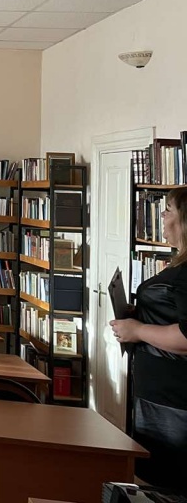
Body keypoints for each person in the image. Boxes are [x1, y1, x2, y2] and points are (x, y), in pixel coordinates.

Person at [111, 186, 187, 491]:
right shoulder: (179, 265)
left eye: (168, 210)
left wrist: (138, 330)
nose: (162, 217)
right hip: (162, 397)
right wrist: (140, 314)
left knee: (169, 484)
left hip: (174, 405)